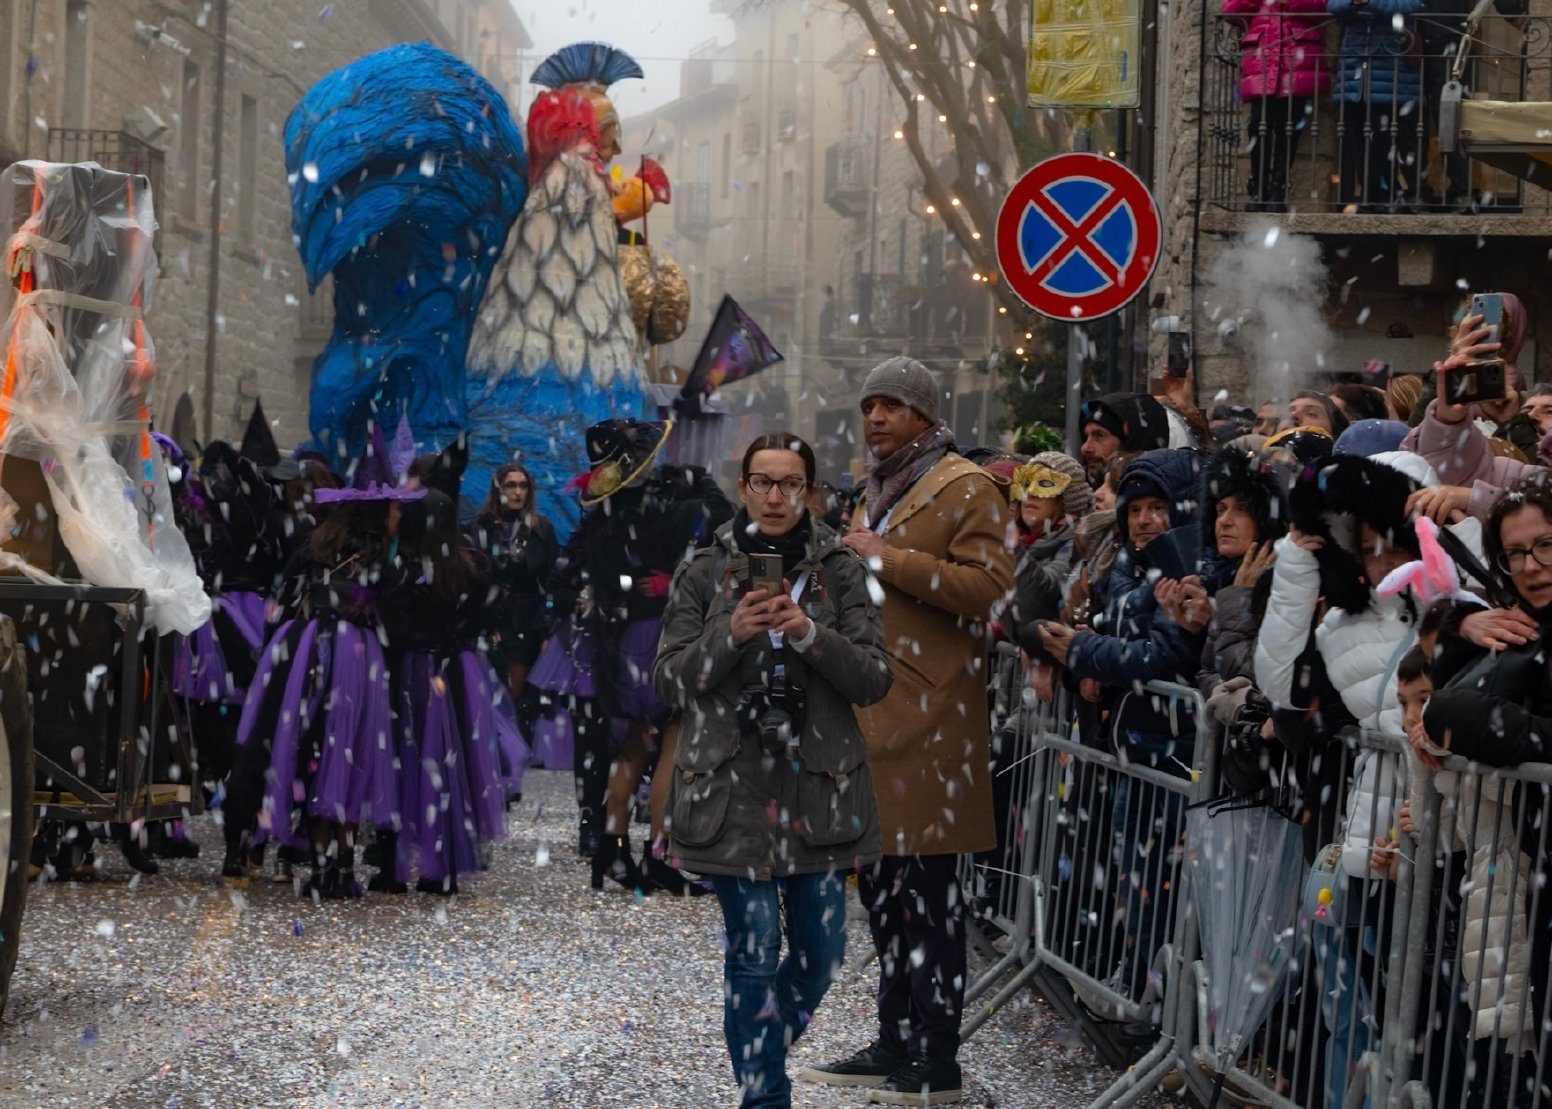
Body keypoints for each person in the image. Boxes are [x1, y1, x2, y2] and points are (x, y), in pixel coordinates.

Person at [654, 432, 890, 1108]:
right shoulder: (705, 570)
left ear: (811, 490)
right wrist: (730, 633)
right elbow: (670, 679)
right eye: (764, 481)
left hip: (819, 789)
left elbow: (875, 678)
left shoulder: (840, 570)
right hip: (731, 792)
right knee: (754, 953)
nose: (777, 495)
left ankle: (760, 1056)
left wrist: (810, 633)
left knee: (820, 955)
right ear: (744, 487)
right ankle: (765, 1095)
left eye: (791, 483)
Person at [804, 356, 1012, 1105]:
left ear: (925, 413)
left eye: (892, 404)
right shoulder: (877, 486)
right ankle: (897, 1039)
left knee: (930, 898)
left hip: (933, 719)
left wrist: (888, 556)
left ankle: (938, 1056)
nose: (876, 416)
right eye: (869, 404)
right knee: (886, 894)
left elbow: (990, 587)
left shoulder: (966, 485)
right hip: (876, 712)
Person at [221, 440, 422, 898]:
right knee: (350, 757)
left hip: (306, 652)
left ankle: (318, 862)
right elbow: (398, 625)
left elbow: (285, 597)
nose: (398, 516)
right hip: (358, 662)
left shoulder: (317, 543)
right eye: (393, 507)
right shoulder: (386, 562)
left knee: (311, 749)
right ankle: (340, 866)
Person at [379, 490, 509, 895]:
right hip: (457, 671)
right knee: (451, 766)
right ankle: (445, 864)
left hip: (415, 668)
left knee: (404, 760)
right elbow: (484, 617)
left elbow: (394, 628)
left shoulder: (404, 568)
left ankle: (392, 864)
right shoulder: (470, 567)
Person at [466, 462, 558, 705]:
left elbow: (552, 583)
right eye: (511, 486)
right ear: (499, 490)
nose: (517, 492)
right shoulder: (480, 528)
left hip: (525, 623)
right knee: (483, 695)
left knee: (513, 697)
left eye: (523, 486)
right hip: (487, 621)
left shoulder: (542, 530)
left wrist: (548, 631)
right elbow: (472, 579)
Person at [1223, 0, 1329, 210]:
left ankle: (1277, 188)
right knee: (1258, 124)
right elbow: (1230, 10)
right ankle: (1259, 187)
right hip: (1263, 56)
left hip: (1296, 57)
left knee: (1288, 127)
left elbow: (1324, 7)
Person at [1328, 0, 1423, 210]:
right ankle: (1371, 195)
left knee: (1383, 139)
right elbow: (1334, 6)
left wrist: (1371, 2)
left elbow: (1411, 4)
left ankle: (1391, 193)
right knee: (1360, 139)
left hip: (1389, 66)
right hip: (1355, 69)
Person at [1077, 392, 1174, 486]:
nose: (1085, 448)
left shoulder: (1165, 497)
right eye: (1086, 437)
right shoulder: (1074, 496)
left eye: (1099, 435)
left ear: (1133, 442)